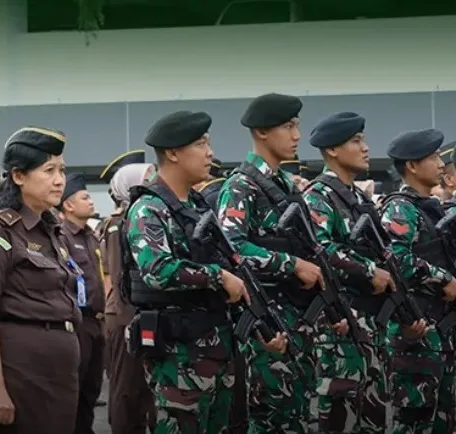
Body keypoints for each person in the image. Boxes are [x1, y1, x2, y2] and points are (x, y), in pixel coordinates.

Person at [123, 110, 287, 433]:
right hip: (178, 359)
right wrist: (218, 276)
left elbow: (231, 273)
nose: (210, 153)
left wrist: (259, 331)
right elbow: (157, 269)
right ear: (172, 153)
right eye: (201, 144)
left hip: (217, 353)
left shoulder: (199, 207)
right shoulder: (149, 209)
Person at [216, 93, 344, 433]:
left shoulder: (287, 185)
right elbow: (231, 248)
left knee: (297, 416)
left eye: (297, 126)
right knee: (269, 419)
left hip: (298, 320)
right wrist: (291, 265)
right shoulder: (242, 186)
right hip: (267, 324)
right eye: (288, 127)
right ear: (261, 132)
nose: (297, 135)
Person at [0, 126, 81, 434]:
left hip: (58, 371)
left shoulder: (53, 230)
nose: (59, 180)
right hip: (19, 369)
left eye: (62, 170)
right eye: (48, 171)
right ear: (18, 176)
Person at [303, 112, 401, 432]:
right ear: (332, 150)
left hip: (370, 325)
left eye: (364, 140)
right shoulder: (318, 197)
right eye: (356, 141)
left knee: (374, 415)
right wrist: (368, 270)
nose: (366, 148)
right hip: (338, 329)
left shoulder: (359, 199)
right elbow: (319, 249)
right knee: (339, 415)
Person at [380, 129, 456, 433]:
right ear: (412, 166)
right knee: (414, 422)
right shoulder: (400, 208)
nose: (441, 164)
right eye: (433, 157)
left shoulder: (430, 208)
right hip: (418, 338)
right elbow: (394, 259)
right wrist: (444, 280)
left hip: (441, 335)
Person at [100, 161, 156, 434]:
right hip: (125, 315)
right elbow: (117, 275)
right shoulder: (117, 224)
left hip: (142, 313)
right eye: (146, 178)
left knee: (148, 389)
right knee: (127, 389)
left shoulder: (143, 217)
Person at [58, 174, 106, 434]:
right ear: (68, 205)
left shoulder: (91, 234)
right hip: (78, 322)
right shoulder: (61, 235)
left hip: (97, 322)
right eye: (85, 197)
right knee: (73, 391)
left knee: (92, 390)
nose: (91, 201)